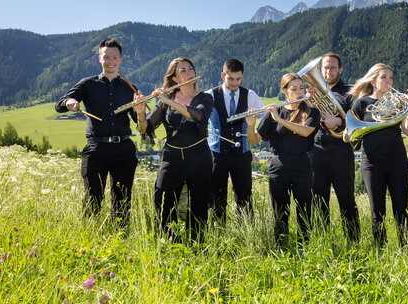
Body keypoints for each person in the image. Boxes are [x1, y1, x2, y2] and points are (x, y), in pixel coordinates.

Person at [55, 38, 139, 225]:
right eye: (106, 57)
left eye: (114, 58)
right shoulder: (87, 84)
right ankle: (91, 236)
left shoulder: (129, 88)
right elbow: (59, 105)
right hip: (96, 149)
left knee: (123, 200)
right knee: (92, 197)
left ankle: (121, 238)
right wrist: (69, 102)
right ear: (99, 58)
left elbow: (141, 123)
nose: (110, 61)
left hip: (124, 149)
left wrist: (140, 110)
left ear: (121, 60)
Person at [134, 58, 213, 241]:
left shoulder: (205, 97)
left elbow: (198, 115)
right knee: (163, 200)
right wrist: (140, 113)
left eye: (190, 69)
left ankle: (198, 246)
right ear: (175, 78)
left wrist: (168, 102)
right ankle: (170, 245)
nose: (189, 73)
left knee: (199, 205)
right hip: (172, 157)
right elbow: (146, 128)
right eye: (183, 70)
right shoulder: (166, 98)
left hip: (199, 157)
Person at [349, 63, 408, 248]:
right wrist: (348, 133)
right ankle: (380, 248)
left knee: (401, 207)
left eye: (391, 77)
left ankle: (406, 247)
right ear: (373, 80)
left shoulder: (398, 101)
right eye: (384, 77)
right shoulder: (362, 103)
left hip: (397, 160)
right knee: (377, 210)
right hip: (371, 161)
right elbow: (351, 128)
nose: (389, 81)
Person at [252, 73, 320, 247]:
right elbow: (254, 140)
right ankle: (281, 247)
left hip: (302, 164)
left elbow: (305, 132)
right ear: (285, 91)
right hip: (279, 165)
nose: (299, 92)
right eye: (294, 89)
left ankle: (304, 247)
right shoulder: (276, 111)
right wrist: (250, 123)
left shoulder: (312, 111)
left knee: (305, 210)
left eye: (301, 88)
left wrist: (279, 120)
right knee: (280, 211)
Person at [309, 53, 360, 243]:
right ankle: (323, 242)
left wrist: (338, 120)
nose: (327, 71)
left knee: (346, 199)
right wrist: (307, 102)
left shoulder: (350, 92)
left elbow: (358, 119)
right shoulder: (313, 91)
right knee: (318, 200)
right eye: (324, 68)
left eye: (332, 68)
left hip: (340, 150)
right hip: (316, 150)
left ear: (340, 70)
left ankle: (353, 243)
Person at [207, 58, 265, 224]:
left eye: (238, 79)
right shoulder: (210, 95)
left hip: (242, 154)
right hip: (217, 154)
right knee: (216, 197)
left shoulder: (250, 95)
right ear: (222, 75)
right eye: (230, 78)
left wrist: (257, 133)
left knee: (245, 197)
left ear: (242, 76)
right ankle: (219, 232)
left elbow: (267, 117)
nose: (234, 83)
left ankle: (246, 234)